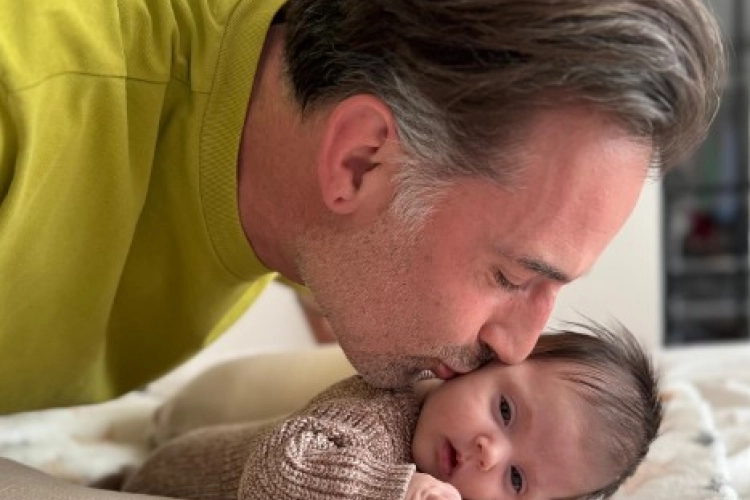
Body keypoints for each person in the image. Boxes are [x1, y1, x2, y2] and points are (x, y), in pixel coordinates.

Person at [0, 0, 724, 414]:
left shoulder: (289, 118)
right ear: (361, 159)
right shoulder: (26, 100)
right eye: (509, 277)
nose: (519, 348)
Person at [120, 323, 663, 500]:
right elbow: (278, 469)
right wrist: (395, 490)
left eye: (516, 480)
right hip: (165, 478)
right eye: (503, 410)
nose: (488, 452)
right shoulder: (383, 404)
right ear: (484, 360)